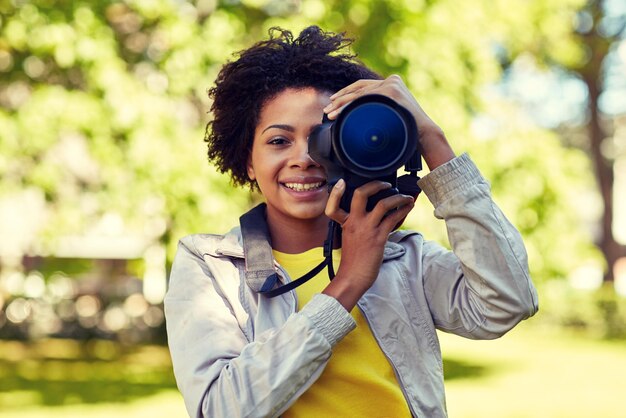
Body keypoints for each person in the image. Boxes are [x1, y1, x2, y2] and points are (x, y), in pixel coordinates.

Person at [164, 26, 538, 418]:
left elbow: (507, 302)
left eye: (322, 136)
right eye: (279, 141)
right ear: (247, 161)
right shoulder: (211, 266)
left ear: (351, 148)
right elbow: (220, 409)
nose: (304, 158)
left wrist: (429, 136)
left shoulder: (402, 257)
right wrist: (348, 281)